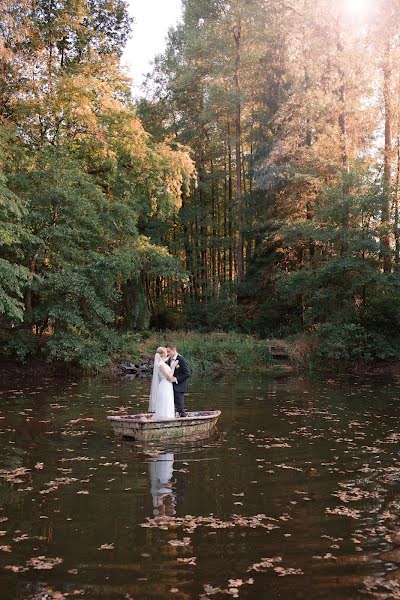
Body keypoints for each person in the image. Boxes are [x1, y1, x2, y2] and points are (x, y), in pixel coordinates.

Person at [149, 346, 179, 419]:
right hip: (165, 385)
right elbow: (169, 377)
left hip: (167, 385)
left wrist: (172, 356)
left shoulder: (161, 362)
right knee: (166, 401)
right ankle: (165, 417)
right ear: (162, 354)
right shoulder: (161, 365)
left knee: (168, 401)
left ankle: (168, 416)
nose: (167, 353)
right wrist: (174, 367)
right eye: (166, 352)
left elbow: (165, 359)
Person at [166, 343, 191, 418]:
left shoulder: (182, 359)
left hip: (179, 387)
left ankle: (184, 421)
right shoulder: (169, 359)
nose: (167, 353)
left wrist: (176, 379)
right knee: (171, 406)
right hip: (170, 387)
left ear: (173, 350)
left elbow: (187, 373)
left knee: (180, 407)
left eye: (168, 351)